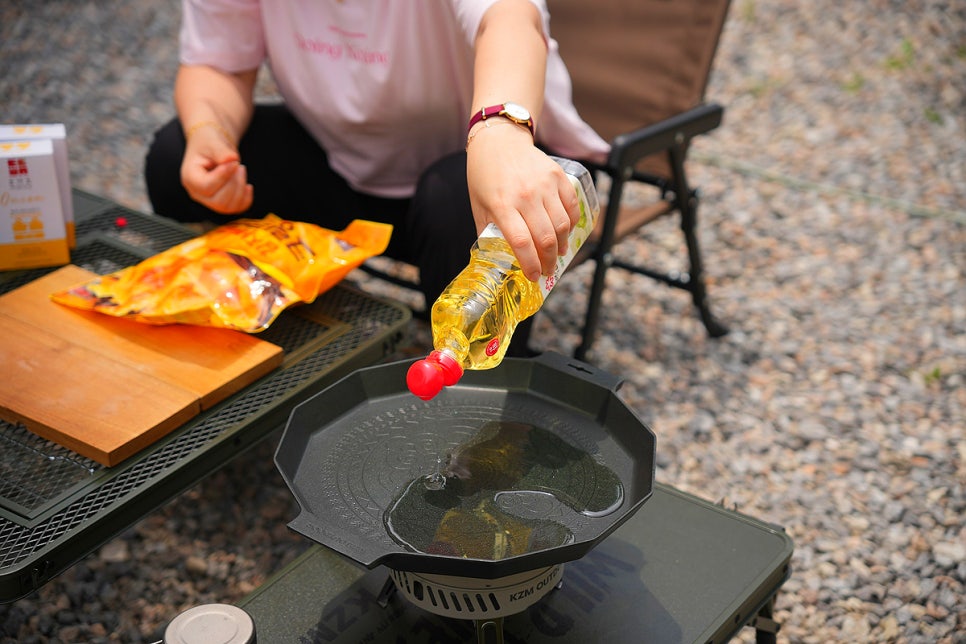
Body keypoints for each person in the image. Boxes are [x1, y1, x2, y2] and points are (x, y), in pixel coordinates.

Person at [145, 0, 609, 353]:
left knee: (462, 209)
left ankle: (487, 401)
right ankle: (265, 333)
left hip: (462, 176)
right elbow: (218, 63)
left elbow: (509, 19)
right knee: (173, 158)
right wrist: (210, 131)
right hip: (337, 167)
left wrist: (499, 136)